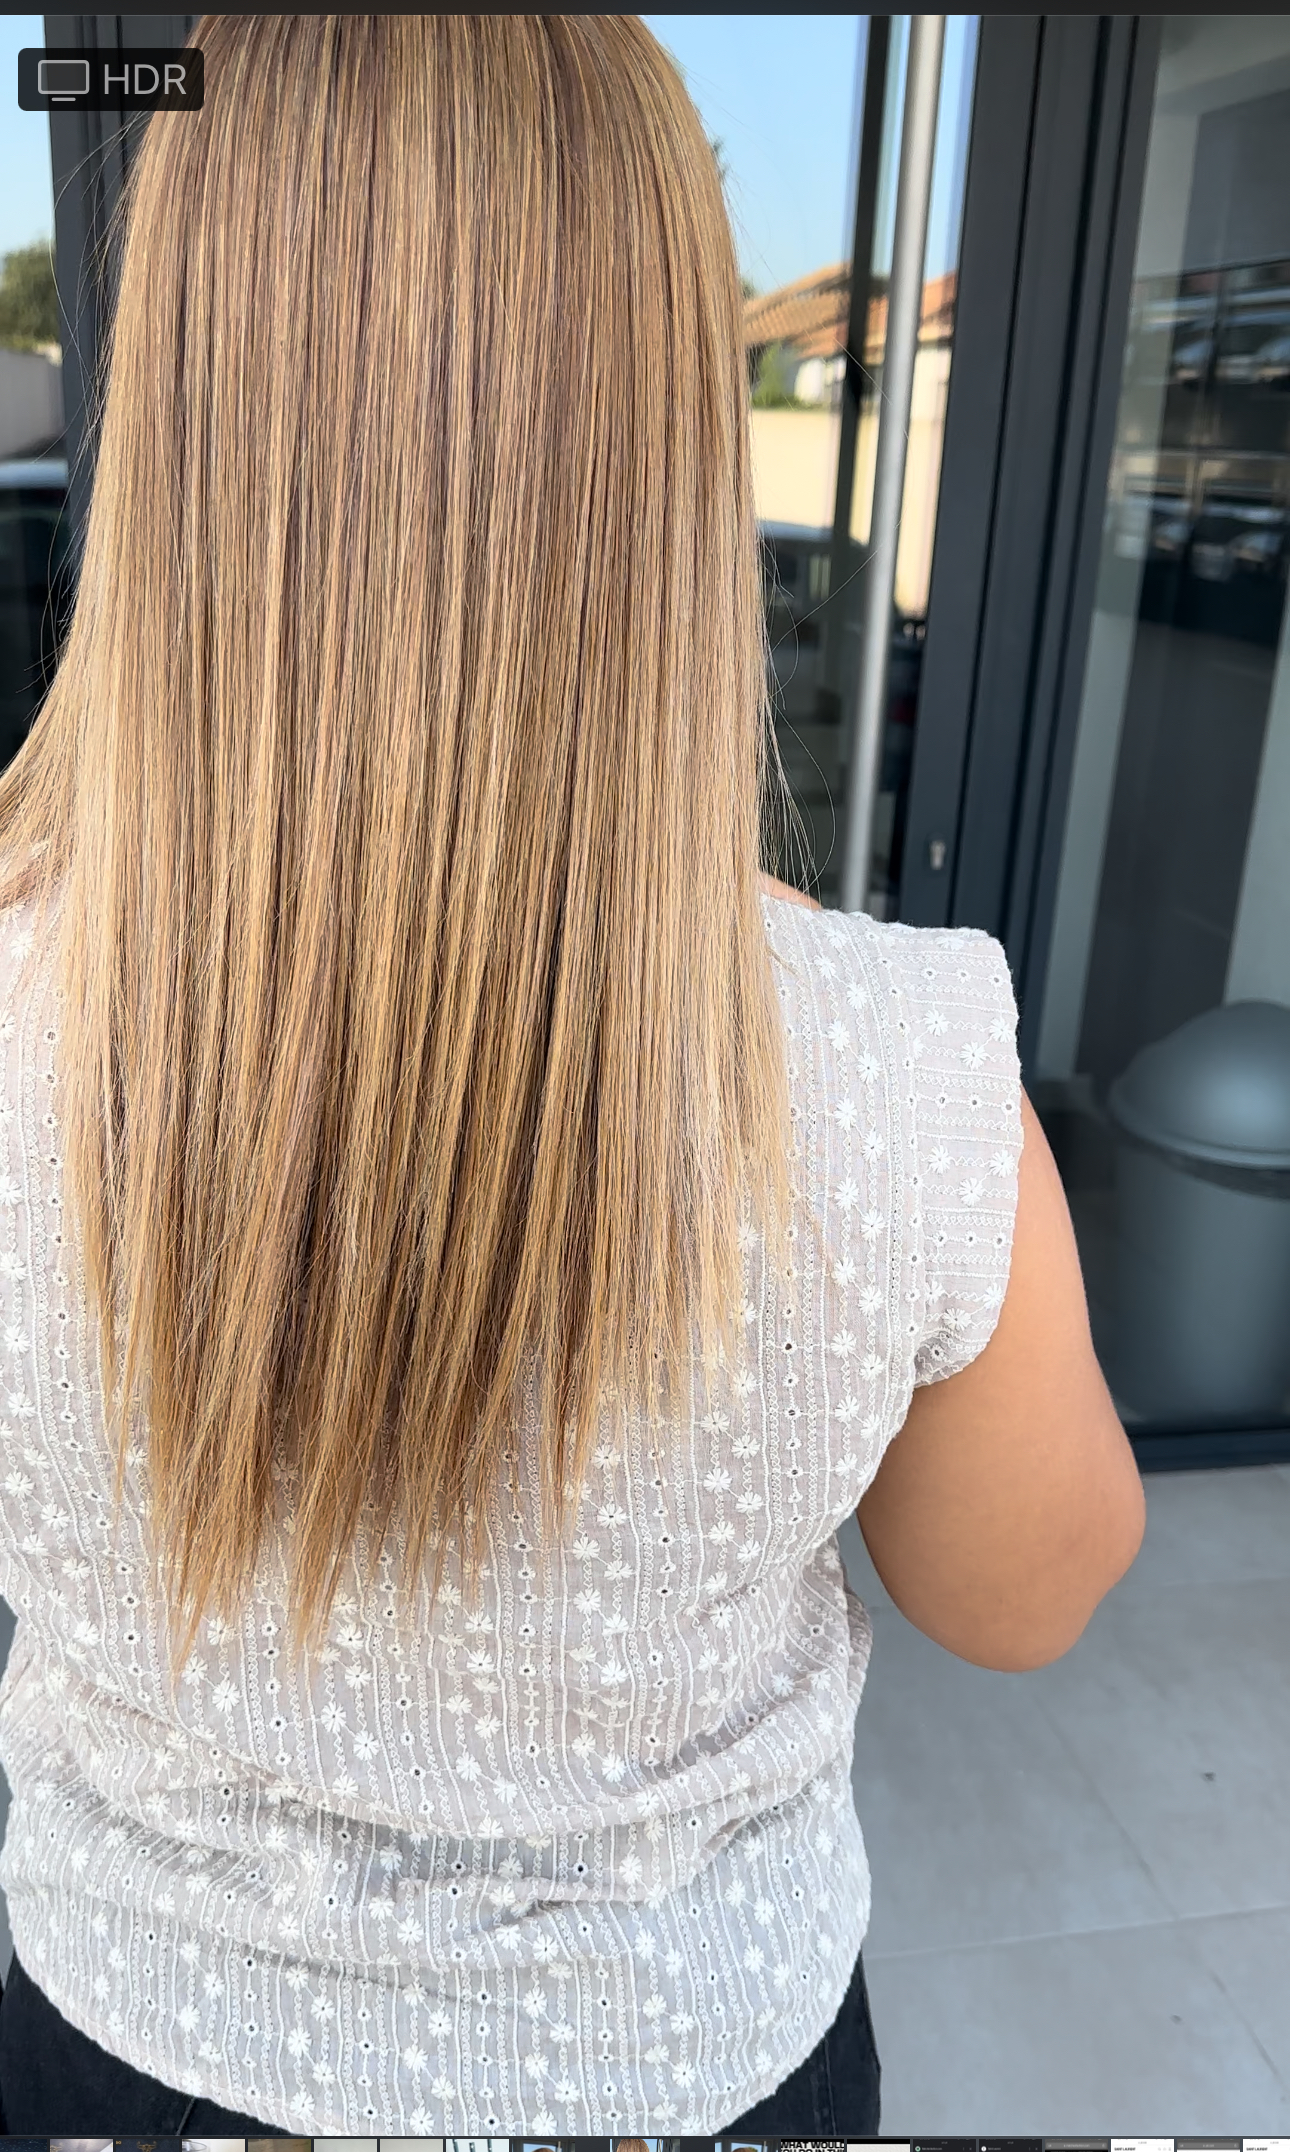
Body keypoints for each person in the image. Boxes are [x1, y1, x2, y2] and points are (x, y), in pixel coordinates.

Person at [0, 12, 1147, 2137]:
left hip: (126, 2038)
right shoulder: (897, 1058)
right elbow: (1023, 1596)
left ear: (178, 405)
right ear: (668, 439)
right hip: (683, 2063)